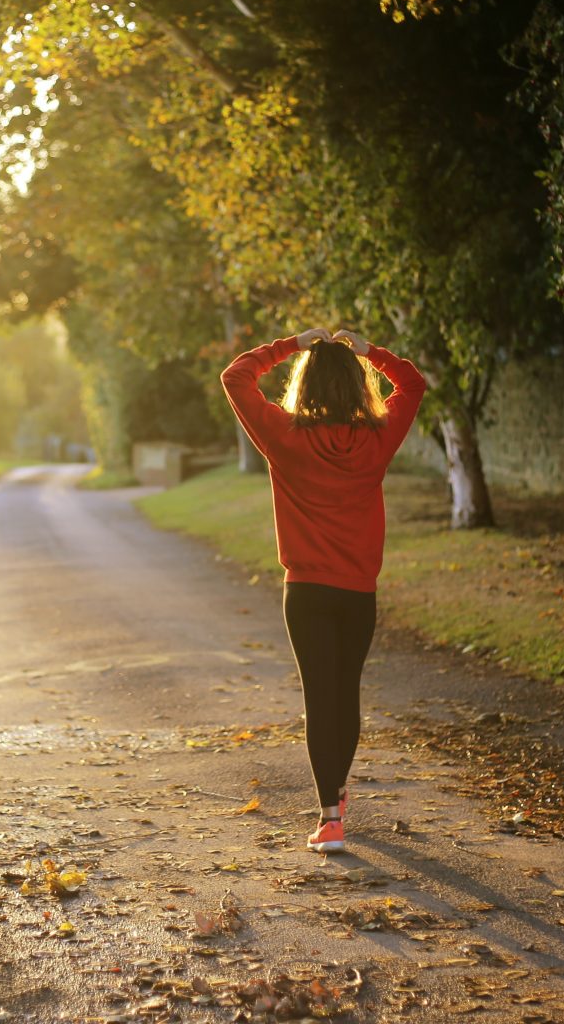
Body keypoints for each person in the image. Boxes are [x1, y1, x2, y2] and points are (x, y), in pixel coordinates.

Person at [221, 327, 426, 853]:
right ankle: (335, 793)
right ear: (358, 387)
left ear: (305, 385)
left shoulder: (284, 436)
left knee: (320, 697)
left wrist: (291, 344)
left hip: (306, 592)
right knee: (346, 692)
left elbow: (236, 376)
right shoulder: (378, 438)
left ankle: (330, 817)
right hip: (358, 592)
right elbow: (413, 383)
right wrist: (370, 352)